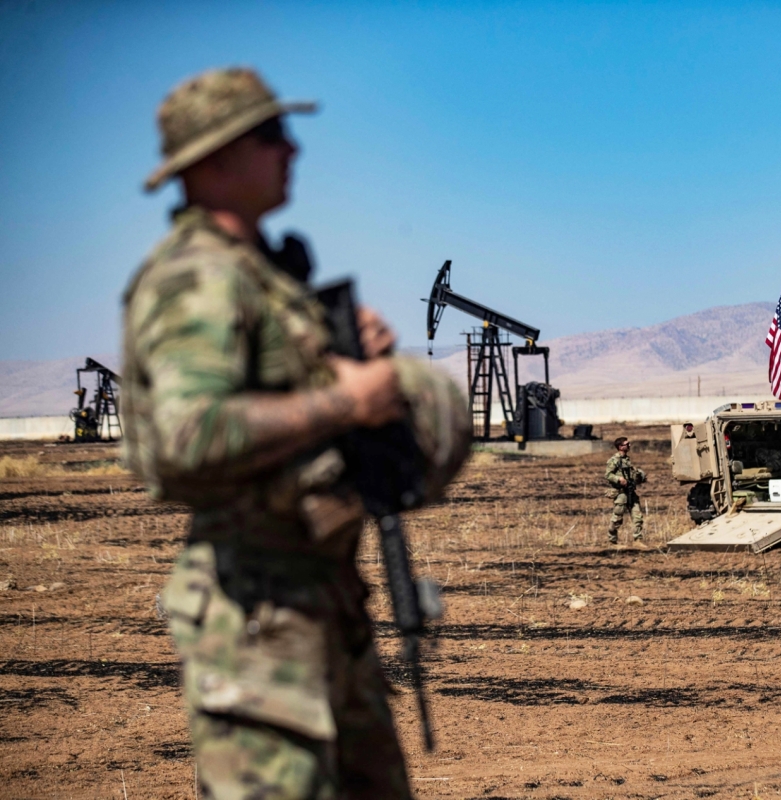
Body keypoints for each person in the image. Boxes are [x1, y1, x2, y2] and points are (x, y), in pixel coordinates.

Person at [123, 67, 471, 799]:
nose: (293, 151)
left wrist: (347, 360)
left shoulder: (261, 277)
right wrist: (345, 404)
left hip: (323, 606)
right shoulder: (196, 279)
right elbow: (188, 437)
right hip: (255, 623)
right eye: (272, 136)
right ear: (216, 161)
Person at [604, 437, 646, 544]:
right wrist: (618, 479)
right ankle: (612, 540)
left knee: (637, 517)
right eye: (627, 444)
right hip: (621, 494)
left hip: (631, 492)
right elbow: (608, 474)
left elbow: (631, 473)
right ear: (620, 447)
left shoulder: (626, 460)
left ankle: (638, 540)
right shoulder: (614, 460)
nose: (629, 445)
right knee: (617, 518)